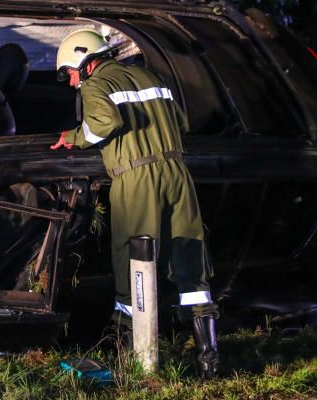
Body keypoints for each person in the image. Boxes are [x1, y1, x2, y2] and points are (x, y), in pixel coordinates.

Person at [49, 28, 219, 377]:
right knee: (190, 258)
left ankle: (135, 361)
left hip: (136, 178)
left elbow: (103, 125)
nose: (70, 83)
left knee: (132, 263)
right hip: (177, 173)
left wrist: (73, 137)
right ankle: (209, 360)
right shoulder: (149, 75)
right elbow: (182, 123)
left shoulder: (96, 84)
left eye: (69, 73)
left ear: (85, 62)